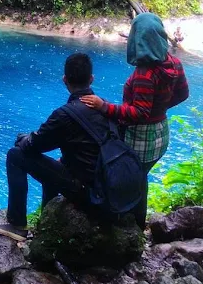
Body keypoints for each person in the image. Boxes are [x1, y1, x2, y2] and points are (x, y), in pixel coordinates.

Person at [0, 53, 111, 241]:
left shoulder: (64, 115)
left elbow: (34, 145)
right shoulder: (105, 108)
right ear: (91, 79)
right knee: (55, 165)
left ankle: (16, 223)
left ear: (64, 80)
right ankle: (46, 222)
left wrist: (21, 139)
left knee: (15, 156)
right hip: (107, 188)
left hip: (88, 193)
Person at [80, 13, 189, 228]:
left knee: (131, 179)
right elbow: (183, 93)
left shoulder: (145, 74)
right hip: (161, 133)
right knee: (140, 176)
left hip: (142, 137)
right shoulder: (174, 63)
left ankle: (131, 226)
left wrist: (104, 106)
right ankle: (137, 224)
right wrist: (160, 108)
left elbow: (139, 113)